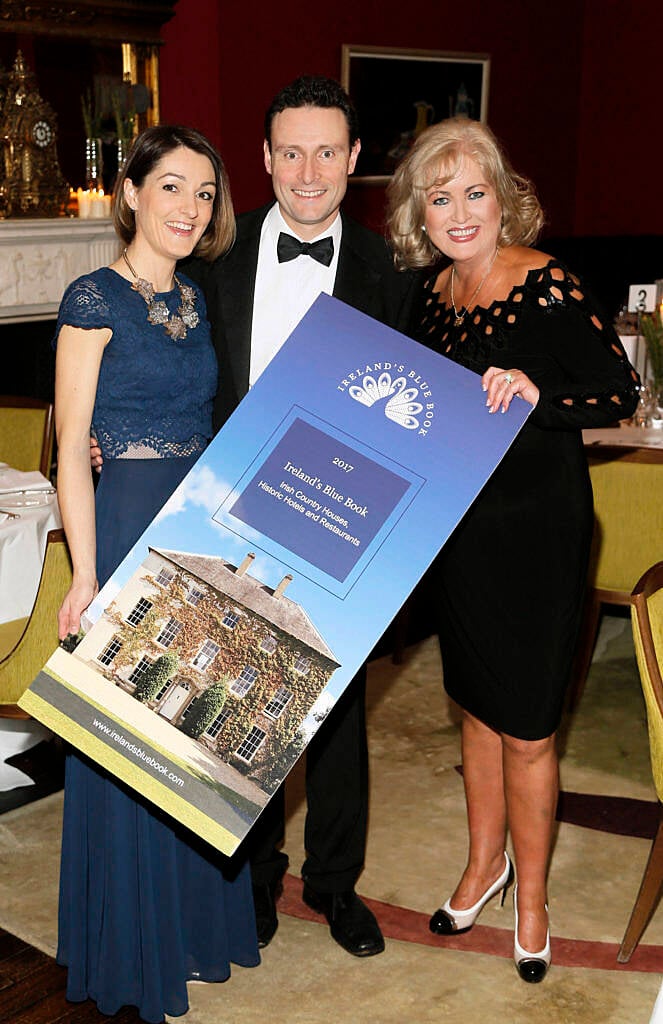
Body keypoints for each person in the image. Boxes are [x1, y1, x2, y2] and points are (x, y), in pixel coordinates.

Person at [386, 117, 639, 983]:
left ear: (503, 197)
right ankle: (480, 865)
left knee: (528, 730)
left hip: (538, 532)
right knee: (475, 710)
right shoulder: (429, 297)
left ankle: (531, 899)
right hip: (459, 534)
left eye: (473, 192)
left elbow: (619, 391)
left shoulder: (547, 285)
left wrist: (538, 393)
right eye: (439, 196)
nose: (458, 212)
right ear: (420, 213)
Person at [183, 75, 417, 957]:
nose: (308, 170)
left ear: (354, 160)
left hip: (348, 519)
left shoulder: (390, 273)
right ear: (266, 158)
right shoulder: (217, 263)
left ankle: (334, 886)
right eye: (290, 152)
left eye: (327, 151)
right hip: (233, 516)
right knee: (245, 698)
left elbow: (422, 409)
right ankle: (253, 880)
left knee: (340, 717)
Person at [55, 125, 259, 1022]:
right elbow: (70, 449)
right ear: (130, 192)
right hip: (128, 524)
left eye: (206, 193)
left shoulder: (199, 298)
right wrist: (83, 575)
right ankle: (132, 945)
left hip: (195, 526)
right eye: (172, 186)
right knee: (131, 747)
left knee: (198, 735)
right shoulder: (91, 296)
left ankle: (194, 928)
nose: (190, 207)